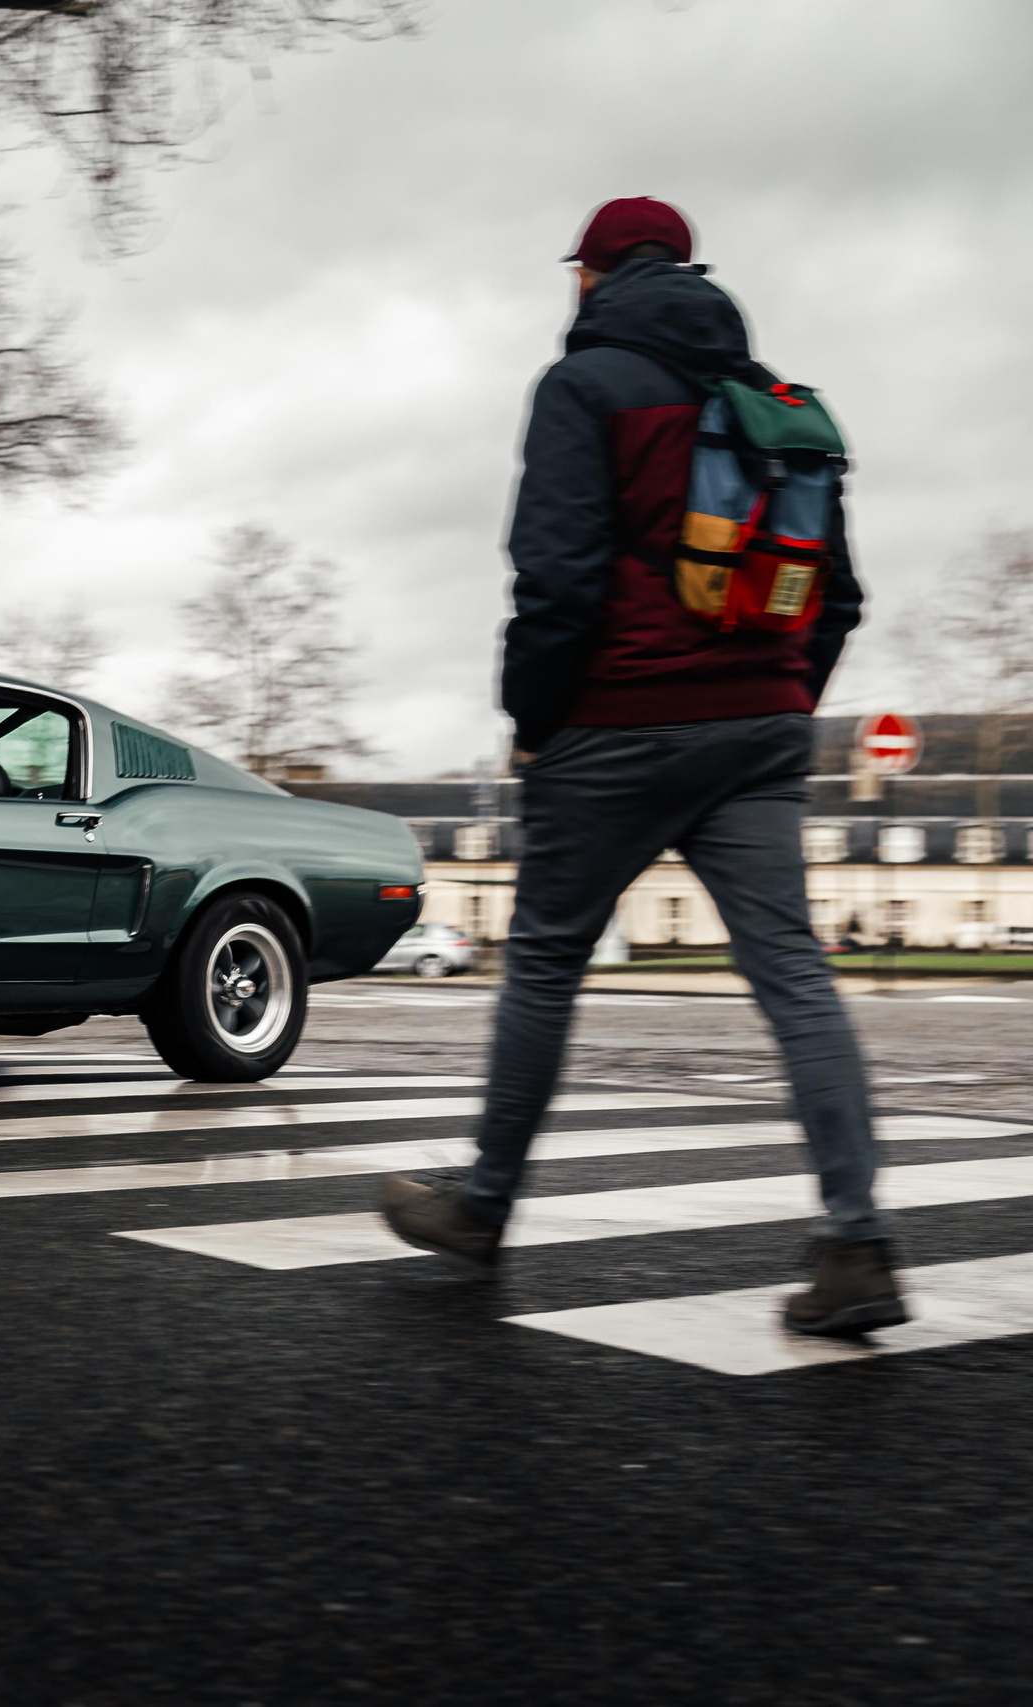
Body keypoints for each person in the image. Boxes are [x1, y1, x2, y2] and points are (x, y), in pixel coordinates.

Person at [377, 198, 899, 1336]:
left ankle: (482, 1207)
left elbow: (555, 576)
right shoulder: (776, 402)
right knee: (792, 972)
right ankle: (858, 1242)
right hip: (759, 732)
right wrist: (780, 699)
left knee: (544, 961)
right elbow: (841, 597)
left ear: (594, 275)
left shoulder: (583, 386)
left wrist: (534, 721)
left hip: (615, 723)